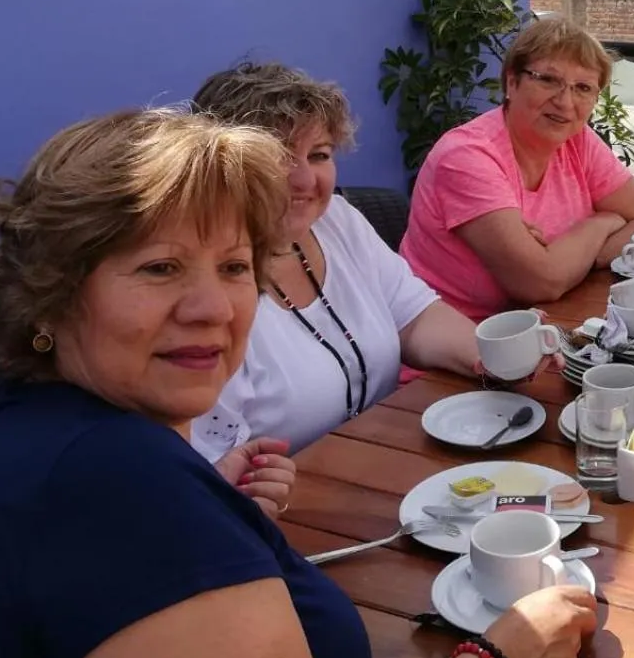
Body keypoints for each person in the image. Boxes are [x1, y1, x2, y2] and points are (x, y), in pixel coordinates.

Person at [0, 108, 595, 658]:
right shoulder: (116, 489)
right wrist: (499, 652)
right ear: (50, 295)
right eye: (159, 269)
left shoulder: (47, 427)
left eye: (234, 268)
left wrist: (213, 505)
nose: (213, 309)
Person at [188, 62, 490, 461]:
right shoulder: (202, 292)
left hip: (386, 464)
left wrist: (491, 358)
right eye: (277, 157)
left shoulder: (337, 220)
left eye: (318, 155)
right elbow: (218, 470)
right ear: (220, 167)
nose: (304, 180)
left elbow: (415, 318)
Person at [402, 17, 634, 319]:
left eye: (583, 88)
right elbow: (539, 282)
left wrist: (566, 258)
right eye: (547, 79)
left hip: (553, 322)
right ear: (511, 82)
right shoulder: (467, 156)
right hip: (460, 347)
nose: (565, 101)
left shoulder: (578, 141)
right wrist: (602, 223)